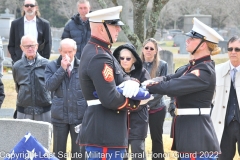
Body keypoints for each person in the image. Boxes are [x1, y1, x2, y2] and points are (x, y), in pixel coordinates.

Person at [142, 17, 224, 160]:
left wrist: (147, 87)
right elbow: (169, 78)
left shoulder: (203, 71)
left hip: (197, 139)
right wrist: (149, 81)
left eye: (192, 38)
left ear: (203, 44)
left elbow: (172, 87)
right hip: (190, 136)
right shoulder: (192, 66)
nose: (187, 40)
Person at [78, 6, 144, 160]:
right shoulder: (99, 56)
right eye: (115, 25)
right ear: (101, 28)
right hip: (104, 134)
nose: (119, 29)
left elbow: (120, 79)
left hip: (106, 133)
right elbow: (110, 98)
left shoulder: (102, 51)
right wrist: (135, 100)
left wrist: (131, 82)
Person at [45, 38, 87, 160]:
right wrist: (62, 69)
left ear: (75, 51)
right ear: (59, 51)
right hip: (59, 116)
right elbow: (49, 86)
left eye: (70, 51)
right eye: (64, 52)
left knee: (79, 154)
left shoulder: (83, 66)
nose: (67, 55)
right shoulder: (51, 66)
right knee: (59, 153)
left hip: (79, 116)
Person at [113, 43, 151, 160]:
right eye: (121, 58)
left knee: (138, 152)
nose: (124, 61)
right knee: (120, 153)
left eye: (128, 58)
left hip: (138, 119)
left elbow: (148, 95)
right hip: (119, 119)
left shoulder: (143, 73)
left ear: (134, 59)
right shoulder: (114, 74)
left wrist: (131, 104)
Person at [211, 35, 240, 160]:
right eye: (230, 49)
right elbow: (210, 98)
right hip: (223, 126)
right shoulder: (217, 70)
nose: (233, 52)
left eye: (237, 49)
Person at [12, 34, 51, 122]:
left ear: (37, 46)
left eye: (32, 45)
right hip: (24, 110)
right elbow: (18, 86)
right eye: (26, 46)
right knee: (24, 135)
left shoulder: (47, 64)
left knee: (44, 135)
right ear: (21, 47)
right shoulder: (17, 66)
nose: (30, 49)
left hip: (44, 110)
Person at [140, 38, 168, 160]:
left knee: (157, 139)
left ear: (156, 51)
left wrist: (148, 103)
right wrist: (141, 103)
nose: (149, 51)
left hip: (157, 108)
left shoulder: (162, 65)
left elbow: (162, 89)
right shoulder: (137, 64)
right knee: (139, 139)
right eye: (146, 48)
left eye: (152, 48)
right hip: (140, 107)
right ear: (142, 49)